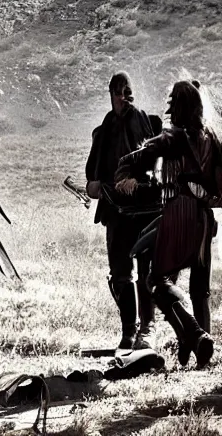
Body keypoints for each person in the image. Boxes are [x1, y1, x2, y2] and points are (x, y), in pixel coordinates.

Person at [115, 80, 219, 368]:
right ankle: (200, 349)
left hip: (178, 214)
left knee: (155, 280)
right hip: (203, 219)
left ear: (179, 107)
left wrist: (128, 180)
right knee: (200, 290)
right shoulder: (211, 137)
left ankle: (195, 337)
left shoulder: (172, 138)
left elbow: (131, 160)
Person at [85, 72, 162, 351]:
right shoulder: (103, 131)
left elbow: (157, 164)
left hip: (146, 210)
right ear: (110, 96)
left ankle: (148, 329)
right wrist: (99, 186)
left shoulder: (148, 123)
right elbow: (92, 174)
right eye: (117, 92)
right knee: (120, 273)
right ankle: (128, 330)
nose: (122, 96)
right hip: (116, 211)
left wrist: (141, 181)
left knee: (147, 272)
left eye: (127, 90)